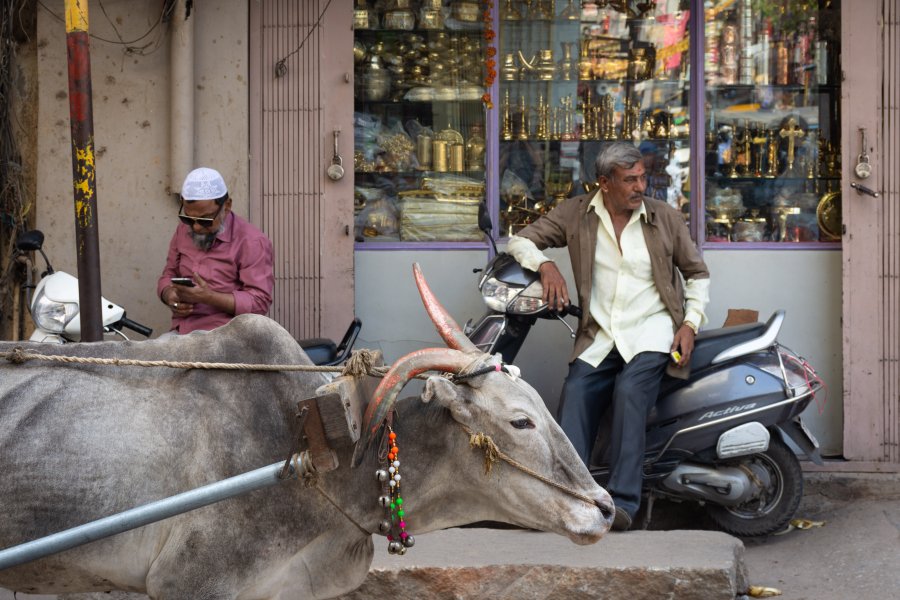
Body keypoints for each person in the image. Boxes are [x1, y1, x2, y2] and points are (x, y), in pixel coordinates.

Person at [507, 142, 710, 531]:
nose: (639, 186)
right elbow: (519, 240)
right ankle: (570, 498)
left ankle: (623, 503)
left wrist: (690, 323)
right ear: (604, 182)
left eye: (642, 178)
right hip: (599, 335)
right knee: (577, 395)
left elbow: (697, 274)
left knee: (630, 393)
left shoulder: (663, 217)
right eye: (629, 180)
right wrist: (546, 264)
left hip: (651, 331)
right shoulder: (577, 214)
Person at [157, 167, 274, 335]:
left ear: (226, 206)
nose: (196, 227)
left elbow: (259, 302)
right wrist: (170, 296)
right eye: (188, 218)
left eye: (205, 220)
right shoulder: (182, 231)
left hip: (228, 335)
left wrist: (208, 297)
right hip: (182, 331)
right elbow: (168, 275)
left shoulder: (252, 242)